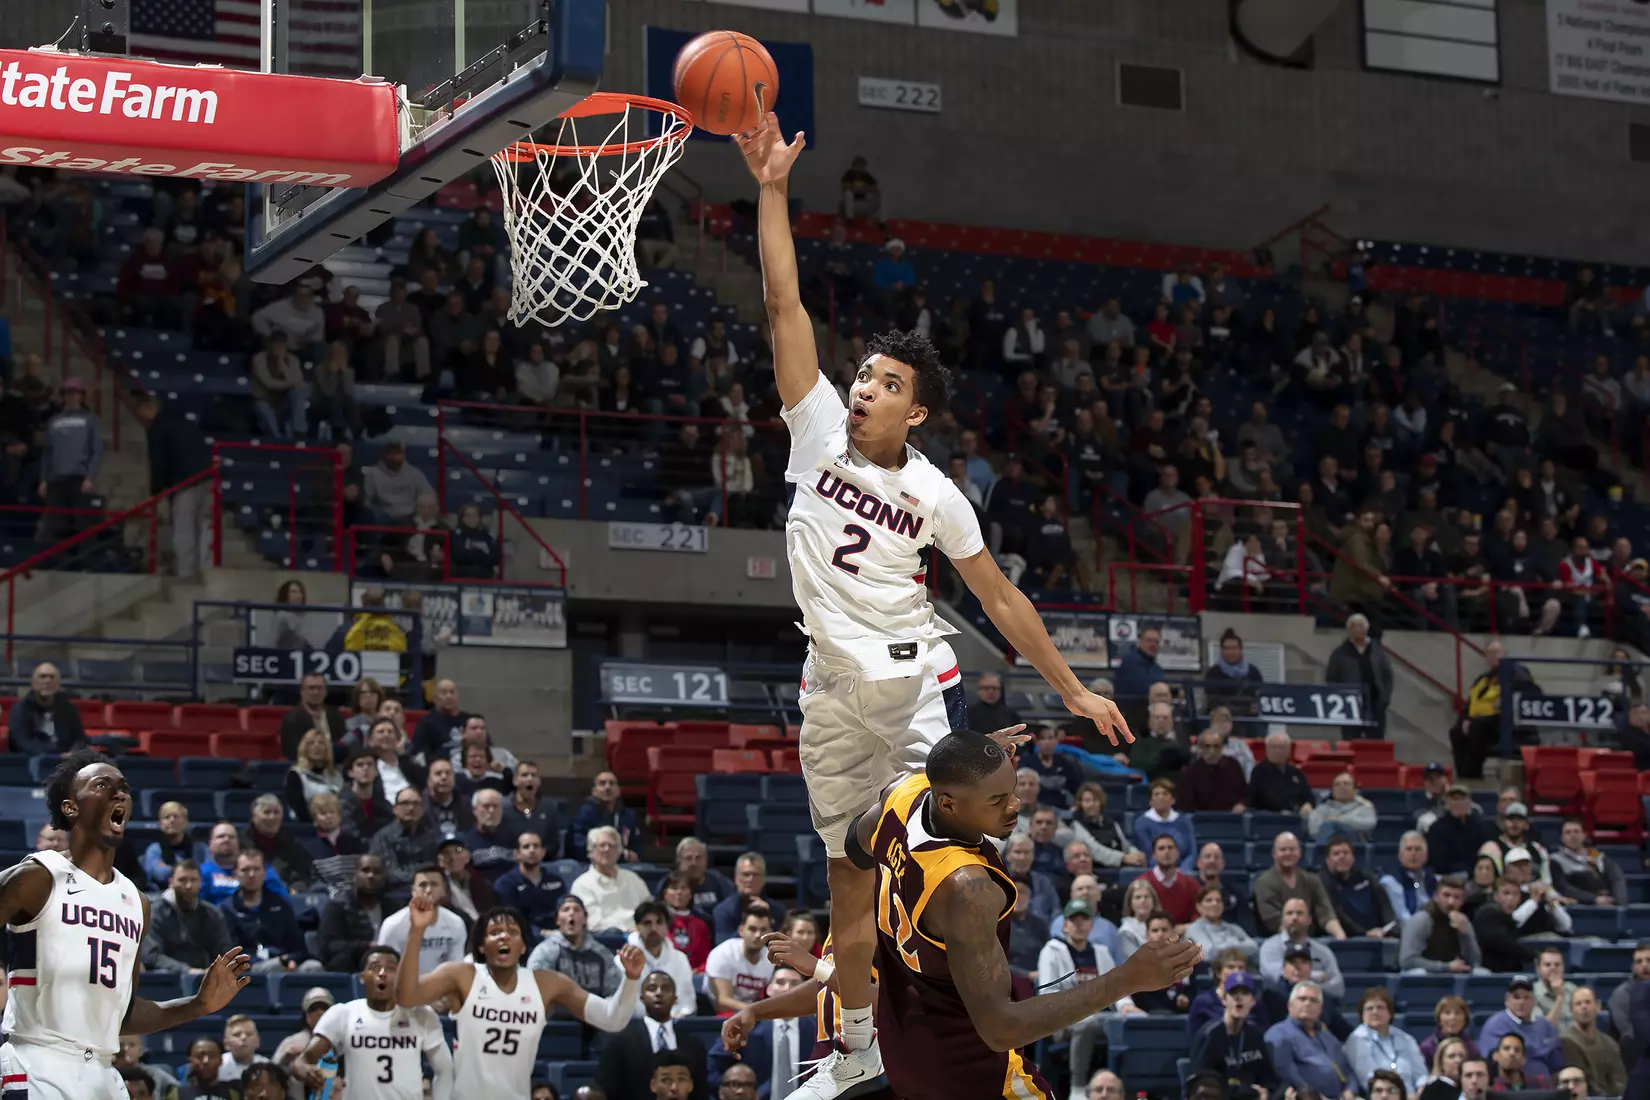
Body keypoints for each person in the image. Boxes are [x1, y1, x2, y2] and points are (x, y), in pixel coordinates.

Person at [738, 113, 1135, 1100]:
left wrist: (1075, 688)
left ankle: (973, 1042)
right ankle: (863, 1042)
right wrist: (773, 189)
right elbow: (784, 299)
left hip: (913, 680)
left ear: (915, 411)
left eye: (888, 382)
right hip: (833, 689)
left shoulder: (940, 491)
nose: (866, 387)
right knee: (847, 877)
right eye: (865, 374)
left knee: (938, 857)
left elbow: (1000, 596)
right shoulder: (817, 430)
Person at [840, 729, 1201, 1100]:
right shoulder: (966, 888)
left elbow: (854, 845)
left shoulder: (905, 795)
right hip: (970, 1072)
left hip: (906, 1050)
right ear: (948, 804)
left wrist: (971, 763)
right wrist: (1128, 978)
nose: (1014, 806)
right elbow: (1000, 1028)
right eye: (996, 799)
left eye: (1011, 790)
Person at [0, 750, 253, 1100]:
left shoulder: (136, 902)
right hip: (38, 1063)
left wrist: (198, 1004)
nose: (118, 794)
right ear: (71, 807)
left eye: (124, 788)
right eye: (102, 785)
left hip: (103, 1073)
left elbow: (124, 1014)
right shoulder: (39, 876)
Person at [394, 902, 644, 1100]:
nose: (503, 937)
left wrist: (631, 979)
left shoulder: (547, 984)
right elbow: (406, 996)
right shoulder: (461, 975)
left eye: (512, 932)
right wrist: (417, 931)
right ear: (481, 946)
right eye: (494, 933)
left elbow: (613, 1020)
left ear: (523, 946)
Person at [290, 945, 452, 1100]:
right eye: (375, 968)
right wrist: (305, 1071)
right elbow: (302, 1061)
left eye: (391, 968)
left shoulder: (421, 1015)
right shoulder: (343, 1014)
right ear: (362, 977)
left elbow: (445, 1069)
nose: (382, 973)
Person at [1037, 900, 1130, 1089]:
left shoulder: (1101, 952)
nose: (1079, 924)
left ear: (1091, 925)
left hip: (1102, 1017)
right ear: (1065, 925)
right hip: (1062, 1021)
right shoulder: (1051, 951)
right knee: (1088, 1023)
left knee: (1128, 1023)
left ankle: (1123, 1086)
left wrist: (1126, 1006)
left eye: (1084, 919)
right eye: (1074, 920)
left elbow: (1116, 987)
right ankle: (1077, 1087)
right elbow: (1046, 993)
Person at [593, 972, 709, 1100]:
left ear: (675, 998)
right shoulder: (619, 1042)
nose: (659, 993)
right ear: (642, 997)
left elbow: (700, 1092)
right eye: (652, 989)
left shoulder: (694, 1045)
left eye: (665, 988)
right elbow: (606, 1089)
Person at [707, 965, 816, 1098]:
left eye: (795, 984)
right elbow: (715, 1064)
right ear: (768, 989)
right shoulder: (748, 1026)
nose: (787, 988)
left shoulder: (818, 1028)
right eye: (780, 982)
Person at [217, 850, 317, 973]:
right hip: (249, 968)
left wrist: (290, 960)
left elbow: (298, 948)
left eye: (256, 869)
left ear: (264, 873)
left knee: (313, 967)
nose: (251, 874)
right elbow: (230, 953)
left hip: (284, 962)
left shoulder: (281, 905)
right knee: (272, 967)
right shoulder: (227, 909)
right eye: (245, 870)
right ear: (235, 874)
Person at [1190, 971, 1278, 1100]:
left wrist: (1265, 1091)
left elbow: (1269, 1077)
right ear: (1223, 1000)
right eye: (1233, 993)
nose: (1239, 998)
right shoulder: (1209, 1035)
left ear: (1253, 1001)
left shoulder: (1256, 1034)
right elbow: (1202, 1084)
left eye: (1245, 993)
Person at [1263, 981, 1357, 1100]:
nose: (1307, 1003)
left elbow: (1346, 1070)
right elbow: (1288, 1076)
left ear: (1320, 1010)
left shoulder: (1326, 1034)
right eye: (1302, 999)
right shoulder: (1278, 1034)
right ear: (1290, 1006)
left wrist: (1350, 1090)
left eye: (1313, 1000)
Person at [143, 860, 235, 974]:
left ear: (201, 883)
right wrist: (187, 971)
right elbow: (151, 956)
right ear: (171, 882)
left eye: (193, 880)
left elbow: (225, 953)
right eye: (182, 880)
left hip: (205, 978)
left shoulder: (212, 914)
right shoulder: (155, 913)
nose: (188, 886)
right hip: (168, 980)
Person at [527, 896, 622, 1000]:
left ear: (585, 919)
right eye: (565, 909)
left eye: (577, 909)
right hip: (556, 1014)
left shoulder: (601, 953)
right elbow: (535, 991)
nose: (571, 913)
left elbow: (614, 992)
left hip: (594, 1013)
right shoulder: (545, 951)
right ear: (557, 920)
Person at [1252, 833, 1346, 939]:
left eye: (1292, 849)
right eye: (1283, 850)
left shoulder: (1312, 880)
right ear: (1274, 854)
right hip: (1277, 939)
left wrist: (1339, 935)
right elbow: (1273, 920)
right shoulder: (1264, 882)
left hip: (1309, 939)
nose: (1288, 853)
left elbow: (1325, 913)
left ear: (1299, 852)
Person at [376, 867, 467, 975]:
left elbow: (455, 969)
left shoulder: (456, 923)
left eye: (434, 884)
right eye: (423, 885)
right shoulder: (393, 925)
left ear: (444, 890)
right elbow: (385, 968)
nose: (428, 890)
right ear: (413, 890)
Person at [317, 855, 398, 973]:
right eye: (365, 870)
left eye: (377, 872)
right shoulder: (337, 906)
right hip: (352, 965)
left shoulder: (393, 908)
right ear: (355, 876)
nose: (371, 876)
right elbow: (328, 946)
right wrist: (367, 946)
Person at [1344, 987, 1427, 1095]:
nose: (1375, 1012)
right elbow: (1368, 1079)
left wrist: (1421, 1091)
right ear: (1362, 1015)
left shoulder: (1406, 1039)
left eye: (1380, 1007)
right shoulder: (1357, 1039)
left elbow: (1421, 1074)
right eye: (1369, 1008)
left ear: (1390, 1012)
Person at [1478, 976, 1563, 1081]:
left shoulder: (1545, 1025)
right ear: (1506, 1000)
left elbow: (1557, 1063)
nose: (1521, 1002)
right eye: (1516, 997)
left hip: (1546, 1086)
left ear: (1534, 1000)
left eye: (1526, 997)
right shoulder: (1495, 1025)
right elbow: (1491, 1064)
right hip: (1510, 1087)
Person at [1258, 899, 1345, 1001]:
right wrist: (1319, 976)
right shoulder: (1270, 947)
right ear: (1282, 919)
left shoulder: (1323, 951)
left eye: (1299, 913)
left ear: (1309, 919)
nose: (1294, 918)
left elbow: (1338, 987)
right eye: (1289, 913)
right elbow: (1277, 977)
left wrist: (1311, 991)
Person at [572, 826, 652, 934]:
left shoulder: (633, 879)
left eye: (611, 846)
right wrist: (626, 930)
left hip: (639, 937)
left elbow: (649, 909)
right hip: (605, 940)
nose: (607, 849)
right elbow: (593, 923)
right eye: (602, 845)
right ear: (591, 851)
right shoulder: (582, 884)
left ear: (619, 851)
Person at [625, 903, 695, 1021]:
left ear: (667, 927)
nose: (653, 928)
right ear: (637, 927)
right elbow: (627, 1005)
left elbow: (687, 1002)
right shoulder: (624, 960)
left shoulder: (680, 959)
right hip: (637, 1027)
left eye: (659, 922)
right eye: (647, 923)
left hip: (676, 1023)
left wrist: (667, 1017)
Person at [1399, 877, 1483, 974]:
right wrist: (1446, 967)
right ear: (1436, 897)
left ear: (1462, 901)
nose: (1451, 902)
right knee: (1419, 973)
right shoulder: (1422, 919)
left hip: (1452, 973)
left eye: (1456, 897)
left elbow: (1475, 962)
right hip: (1425, 973)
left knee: (1481, 973)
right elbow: (1407, 961)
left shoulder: (1462, 921)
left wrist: (1465, 935)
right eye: (1446, 895)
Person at [1320, 836, 1397, 938]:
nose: (1342, 856)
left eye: (1346, 853)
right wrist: (1364, 933)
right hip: (1347, 939)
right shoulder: (1322, 882)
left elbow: (1384, 904)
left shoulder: (1366, 878)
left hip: (1379, 935)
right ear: (1328, 860)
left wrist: (1388, 928)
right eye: (1336, 854)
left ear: (1353, 857)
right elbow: (1338, 914)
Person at [705, 902, 775, 1014]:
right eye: (752, 929)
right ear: (741, 930)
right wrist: (758, 1011)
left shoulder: (771, 959)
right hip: (720, 1014)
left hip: (755, 1015)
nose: (758, 935)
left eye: (763, 930)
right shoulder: (723, 954)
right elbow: (723, 1002)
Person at [6, 662, 86, 755]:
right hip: (33, 761)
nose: (47, 681)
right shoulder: (20, 709)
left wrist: (73, 752)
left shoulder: (69, 708)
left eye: (52, 677)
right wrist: (55, 755)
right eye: (42, 677)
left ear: (58, 683)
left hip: (67, 760)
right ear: (33, 682)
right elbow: (23, 743)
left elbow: (80, 738)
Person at [1559, 986, 1625, 1097]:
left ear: (1598, 1006)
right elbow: (1583, 1082)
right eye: (1578, 1004)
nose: (1584, 1007)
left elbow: (1619, 1080)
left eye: (1588, 1002)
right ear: (1571, 1011)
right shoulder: (1566, 1041)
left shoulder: (1610, 1043)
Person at [711, 854, 789, 943]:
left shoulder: (778, 911)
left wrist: (769, 918)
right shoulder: (723, 911)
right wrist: (748, 922)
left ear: (763, 879)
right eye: (746, 874)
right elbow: (722, 945)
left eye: (755, 875)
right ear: (736, 878)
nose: (750, 879)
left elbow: (782, 944)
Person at [1549, 817, 1628, 905]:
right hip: (1579, 907)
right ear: (1562, 838)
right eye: (1568, 832)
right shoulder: (1555, 860)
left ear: (1584, 835)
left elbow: (1617, 879)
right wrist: (1594, 899)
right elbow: (1563, 888)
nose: (1573, 836)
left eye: (1576, 831)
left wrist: (1620, 904)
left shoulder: (1599, 858)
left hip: (1606, 905)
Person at [569, 772, 641, 863]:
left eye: (612, 783)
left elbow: (637, 845)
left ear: (619, 790)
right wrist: (621, 854)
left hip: (623, 866)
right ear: (594, 791)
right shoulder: (583, 814)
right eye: (602, 783)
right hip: (590, 865)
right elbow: (579, 844)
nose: (607, 787)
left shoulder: (629, 815)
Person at [279, 673, 348, 762]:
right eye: (311, 688)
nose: (315, 692)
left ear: (325, 692)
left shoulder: (335, 715)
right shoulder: (292, 718)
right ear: (302, 691)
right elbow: (291, 753)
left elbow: (343, 746)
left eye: (319, 688)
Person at [142, 801, 207, 890]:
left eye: (176, 817)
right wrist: (190, 872)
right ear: (161, 824)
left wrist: (170, 869)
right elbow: (159, 874)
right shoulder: (154, 850)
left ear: (186, 822)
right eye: (167, 817)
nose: (172, 820)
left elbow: (206, 873)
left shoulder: (201, 849)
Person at [1180, 728, 1248, 813]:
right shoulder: (1190, 772)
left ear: (1222, 747)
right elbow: (1186, 805)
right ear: (1201, 747)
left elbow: (1245, 793)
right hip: (1202, 820)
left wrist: (1241, 804)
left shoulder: (1234, 765)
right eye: (1207, 746)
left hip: (1232, 818)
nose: (1211, 751)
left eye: (1216, 746)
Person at [1185, 884, 1259, 962]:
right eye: (1209, 900)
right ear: (1198, 906)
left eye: (1218, 900)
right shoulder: (1195, 928)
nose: (1215, 904)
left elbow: (1254, 947)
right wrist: (1235, 943)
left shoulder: (1233, 927)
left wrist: (1223, 947)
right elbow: (1209, 953)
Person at [1018, 726, 1084, 810]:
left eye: (1050, 738)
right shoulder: (1026, 763)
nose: (1047, 742)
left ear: (1056, 740)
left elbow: (1078, 788)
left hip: (1063, 810)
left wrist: (1077, 806)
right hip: (1035, 811)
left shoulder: (1065, 763)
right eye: (1043, 738)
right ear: (1037, 741)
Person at [1248, 732, 1315, 815]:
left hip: (1298, 816)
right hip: (1270, 817)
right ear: (1267, 749)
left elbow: (1308, 795)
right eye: (1274, 747)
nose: (1278, 751)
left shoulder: (1296, 772)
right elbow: (1254, 801)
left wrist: (1308, 804)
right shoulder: (1259, 772)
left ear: (1289, 750)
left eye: (1282, 748)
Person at [1378, 832, 1440, 921]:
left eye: (1418, 849)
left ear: (1426, 856)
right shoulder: (1391, 882)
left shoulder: (1434, 880)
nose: (1413, 853)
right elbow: (1402, 917)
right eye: (1409, 849)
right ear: (1400, 856)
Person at [1307, 773, 1378, 843]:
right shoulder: (1322, 808)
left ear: (1355, 789)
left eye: (1346, 784)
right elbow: (1314, 830)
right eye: (1337, 785)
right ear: (1332, 790)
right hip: (1327, 845)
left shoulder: (1364, 806)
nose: (1342, 787)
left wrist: (1338, 820)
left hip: (1356, 847)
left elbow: (1370, 824)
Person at [1534, 945, 1578, 1030]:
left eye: (1557, 965)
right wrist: (1559, 998)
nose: (1553, 968)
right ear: (1538, 969)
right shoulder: (1532, 994)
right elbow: (1542, 1030)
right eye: (1547, 965)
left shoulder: (1573, 989)